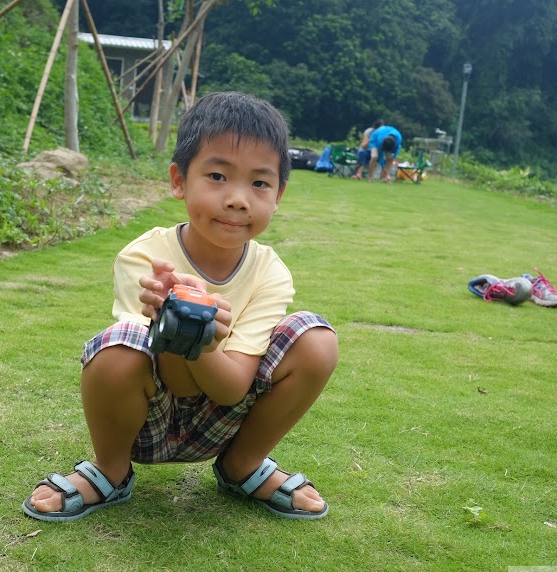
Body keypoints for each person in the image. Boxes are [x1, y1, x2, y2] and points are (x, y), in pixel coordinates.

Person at [22, 91, 339, 523]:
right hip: (148, 417)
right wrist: (176, 319)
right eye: (217, 176)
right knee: (119, 345)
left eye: (259, 183)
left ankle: (242, 465)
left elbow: (229, 391)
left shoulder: (270, 272)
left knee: (316, 340)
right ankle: (110, 471)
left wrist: (204, 340)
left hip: (225, 413)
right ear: (178, 180)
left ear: (278, 194)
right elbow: (180, 385)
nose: (238, 199)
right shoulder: (147, 258)